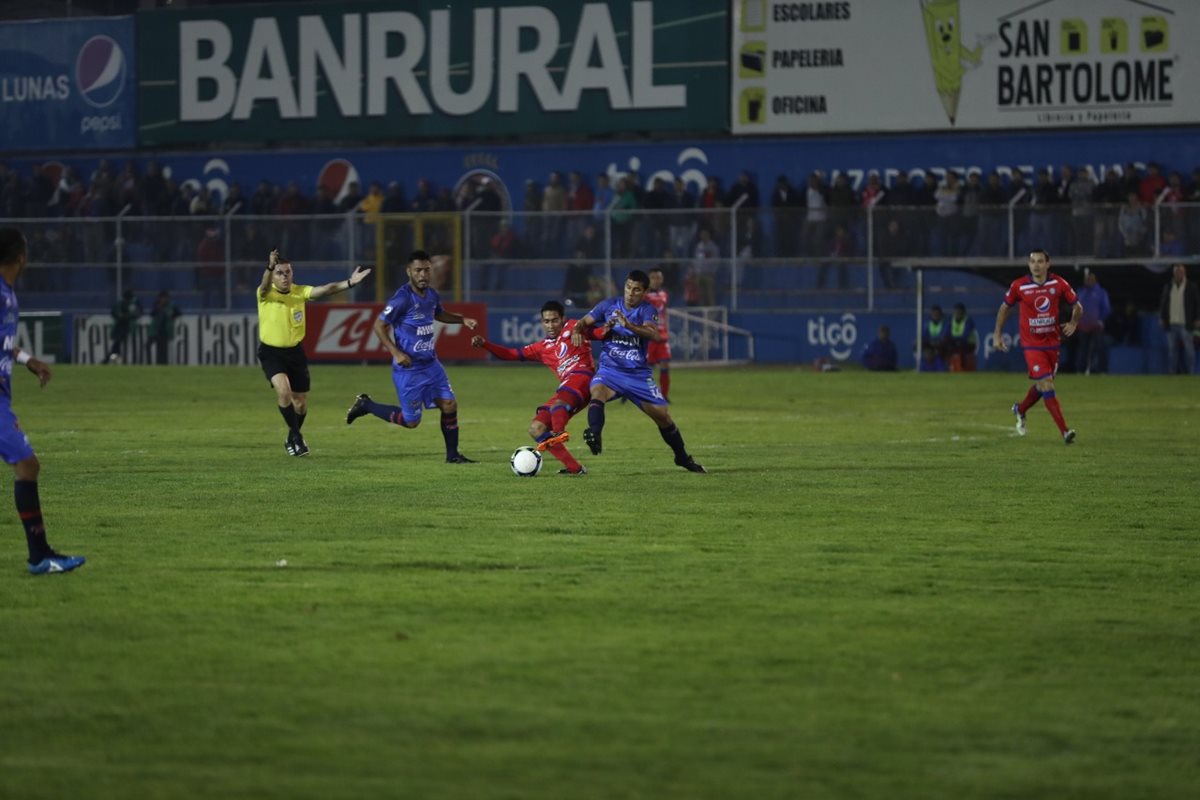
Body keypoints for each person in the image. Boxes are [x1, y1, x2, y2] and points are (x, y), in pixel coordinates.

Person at [0, 228, 85, 574]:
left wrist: (26, 361)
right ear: (21, 256)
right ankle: (39, 556)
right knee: (27, 464)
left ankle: (40, 555)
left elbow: (3, 342)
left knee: (27, 465)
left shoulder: (7, 294)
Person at [345, 250, 477, 463]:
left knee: (450, 405)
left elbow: (439, 313)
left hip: (431, 364)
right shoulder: (401, 299)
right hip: (409, 369)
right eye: (418, 270)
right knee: (411, 422)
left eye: (426, 270)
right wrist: (395, 352)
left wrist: (462, 320)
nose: (423, 275)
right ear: (409, 272)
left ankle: (453, 456)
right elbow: (379, 326)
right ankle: (366, 405)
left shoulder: (432, 294)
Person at [570, 270, 706, 473]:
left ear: (644, 292)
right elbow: (583, 321)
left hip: (638, 375)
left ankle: (682, 457)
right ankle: (595, 434)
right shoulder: (608, 305)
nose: (630, 293)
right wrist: (576, 329)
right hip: (610, 370)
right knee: (597, 392)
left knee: (663, 416)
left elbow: (652, 333)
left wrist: (628, 325)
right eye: (628, 287)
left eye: (636, 290)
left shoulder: (647, 310)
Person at [258, 249, 371, 457]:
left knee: (300, 403)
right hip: (271, 353)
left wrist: (350, 283)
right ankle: (297, 437)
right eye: (280, 273)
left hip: (295, 353)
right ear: (273, 275)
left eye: (288, 272)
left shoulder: (300, 292)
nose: (285, 276)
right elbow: (264, 285)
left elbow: (327, 289)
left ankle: (292, 437)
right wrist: (268, 267)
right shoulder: (265, 294)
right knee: (284, 392)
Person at [470, 301, 597, 475]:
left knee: (557, 404)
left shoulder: (575, 326)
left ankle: (559, 432)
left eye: (554, 320)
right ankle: (574, 468)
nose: (550, 325)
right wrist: (485, 344)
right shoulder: (542, 348)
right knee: (536, 428)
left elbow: (597, 328)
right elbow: (510, 354)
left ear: (563, 319)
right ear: (542, 322)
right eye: (546, 321)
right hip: (567, 390)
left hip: (583, 378)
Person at [993, 249, 1082, 444]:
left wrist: (1073, 322)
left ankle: (1020, 409)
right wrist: (997, 334)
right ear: (1029, 264)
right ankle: (1065, 432)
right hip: (1031, 345)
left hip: (1052, 343)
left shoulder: (1058, 283)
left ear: (1048, 264)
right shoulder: (1019, 286)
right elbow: (1004, 308)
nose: (1036, 265)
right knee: (1047, 384)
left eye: (1040, 261)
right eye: (1033, 261)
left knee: (1043, 386)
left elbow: (1078, 306)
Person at [1159, 263, 1199, 375]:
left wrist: (1197, 318)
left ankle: (1190, 373)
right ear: (1173, 273)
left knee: (1189, 351)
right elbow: (1163, 303)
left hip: (1185, 323)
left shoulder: (1191, 286)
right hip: (1171, 324)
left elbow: (1197, 304)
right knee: (1172, 352)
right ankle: (1172, 374)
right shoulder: (1168, 286)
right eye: (1176, 272)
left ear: (1184, 273)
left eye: (1180, 272)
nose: (1178, 274)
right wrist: (1162, 318)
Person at [644, 267, 673, 400]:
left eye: (658, 277)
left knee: (665, 364)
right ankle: (643, 393)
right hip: (649, 336)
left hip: (662, 336)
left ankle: (664, 396)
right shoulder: (643, 295)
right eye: (653, 278)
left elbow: (664, 313)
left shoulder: (664, 294)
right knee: (645, 369)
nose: (656, 280)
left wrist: (666, 329)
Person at [1074, 272, 1111, 374]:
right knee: (1083, 349)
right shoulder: (1081, 292)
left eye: (1090, 279)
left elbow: (1106, 308)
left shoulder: (1101, 292)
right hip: (1083, 326)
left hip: (1096, 326)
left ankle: (1102, 370)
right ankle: (1080, 370)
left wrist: (1101, 320)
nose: (1088, 281)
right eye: (1087, 279)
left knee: (1099, 348)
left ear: (1095, 280)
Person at [106, 289, 142, 364]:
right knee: (117, 344)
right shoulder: (120, 303)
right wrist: (124, 317)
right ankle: (113, 359)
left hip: (127, 326)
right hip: (120, 326)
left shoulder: (133, 303)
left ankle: (111, 359)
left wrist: (128, 316)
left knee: (118, 345)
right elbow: (114, 313)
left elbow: (139, 312)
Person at [148, 290, 182, 365]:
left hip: (165, 330)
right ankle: (156, 363)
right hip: (156, 330)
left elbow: (178, 313)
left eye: (164, 298)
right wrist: (158, 309)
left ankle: (164, 363)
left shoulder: (171, 305)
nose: (163, 299)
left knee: (164, 349)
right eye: (161, 298)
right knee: (157, 348)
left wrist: (171, 317)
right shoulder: (156, 305)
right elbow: (152, 314)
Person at [947, 303, 978, 371]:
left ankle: (963, 368)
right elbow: (947, 333)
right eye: (956, 311)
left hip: (969, 344)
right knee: (946, 346)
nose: (957, 313)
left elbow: (965, 336)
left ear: (963, 313)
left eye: (959, 312)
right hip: (955, 342)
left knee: (962, 348)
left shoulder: (968, 321)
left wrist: (955, 340)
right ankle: (949, 367)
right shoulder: (950, 320)